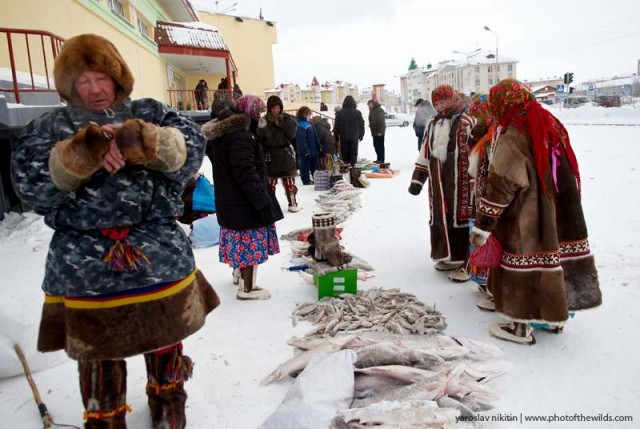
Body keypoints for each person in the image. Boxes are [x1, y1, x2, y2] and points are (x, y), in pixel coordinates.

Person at [10, 33, 220, 429]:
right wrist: (81, 152)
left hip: (156, 257)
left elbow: (191, 150)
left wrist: (147, 141)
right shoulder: (50, 126)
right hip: (86, 268)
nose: (94, 89)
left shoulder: (149, 111)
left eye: (101, 78)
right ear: (69, 86)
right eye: (83, 81)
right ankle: (104, 418)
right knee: (98, 354)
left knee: (163, 338)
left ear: (117, 77)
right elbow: (28, 184)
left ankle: (169, 406)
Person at [470, 79, 602, 344]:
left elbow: (503, 183)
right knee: (552, 264)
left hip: (525, 218)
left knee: (523, 266)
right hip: (558, 213)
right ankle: (554, 321)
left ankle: (520, 329)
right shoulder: (549, 125)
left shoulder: (514, 134)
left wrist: (483, 225)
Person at [202, 95, 284, 300]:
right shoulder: (241, 137)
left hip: (229, 200)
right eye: (259, 111)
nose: (261, 116)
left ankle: (238, 274)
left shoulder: (225, 134)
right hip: (243, 202)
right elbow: (246, 174)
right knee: (249, 242)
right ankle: (248, 288)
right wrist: (262, 200)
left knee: (238, 241)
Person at [408, 84, 476, 278]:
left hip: (463, 183)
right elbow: (425, 152)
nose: (440, 106)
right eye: (437, 103)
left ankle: (464, 260)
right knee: (441, 215)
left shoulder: (467, 121)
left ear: (453, 99)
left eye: (444, 101)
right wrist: (418, 179)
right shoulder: (433, 123)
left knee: (460, 217)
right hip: (438, 183)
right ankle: (447, 256)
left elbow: (480, 150)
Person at [257, 95, 300, 212]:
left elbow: (291, 134)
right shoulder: (263, 121)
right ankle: (271, 206)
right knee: (270, 183)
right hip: (270, 154)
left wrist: (280, 122)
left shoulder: (287, 119)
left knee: (289, 181)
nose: (276, 110)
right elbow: (260, 139)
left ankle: (292, 202)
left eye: (278, 108)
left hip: (285, 153)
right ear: (269, 108)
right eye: (273, 108)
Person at [333, 95, 364, 166]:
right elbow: (361, 125)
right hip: (354, 136)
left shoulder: (340, 113)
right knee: (353, 152)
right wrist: (361, 135)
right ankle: (353, 168)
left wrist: (336, 137)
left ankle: (346, 167)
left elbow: (336, 126)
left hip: (344, 136)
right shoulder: (357, 112)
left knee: (345, 153)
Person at [295, 106, 322, 185]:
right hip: (306, 151)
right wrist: (305, 151)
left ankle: (316, 179)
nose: (310, 117)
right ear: (305, 115)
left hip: (313, 150)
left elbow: (315, 136)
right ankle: (306, 180)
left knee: (315, 166)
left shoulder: (309, 124)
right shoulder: (300, 125)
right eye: (309, 115)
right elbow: (301, 140)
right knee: (305, 167)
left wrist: (319, 146)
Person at [367, 99, 386, 164]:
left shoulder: (379, 110)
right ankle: (378, 158)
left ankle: (381, 160)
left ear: (373, 104)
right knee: (376, 145)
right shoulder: (372, 111)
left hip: (379, 132)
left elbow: (381, 121)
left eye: (369, 105)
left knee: (380, 146)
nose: (368, 106)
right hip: (374, 132)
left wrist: (380, 131)